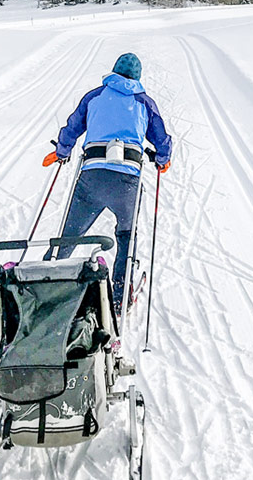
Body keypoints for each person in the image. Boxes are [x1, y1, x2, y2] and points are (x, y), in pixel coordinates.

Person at [43, 52, 172, 313]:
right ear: (137, 78)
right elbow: (161, 139)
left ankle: (46, 286)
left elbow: (72, 127)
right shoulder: (143, 101)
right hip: (126, 181)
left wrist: (62, 152)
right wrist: (162, 159)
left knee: (69, 236)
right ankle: (120, 297)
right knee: (126, 235)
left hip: (92, 176)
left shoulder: (94, 96)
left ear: (113, 71)